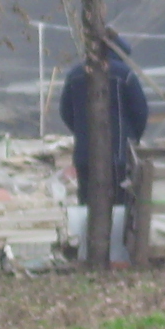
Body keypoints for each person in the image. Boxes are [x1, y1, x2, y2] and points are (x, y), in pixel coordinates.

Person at [59, 29, 149, 206]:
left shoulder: (75, 74)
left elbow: (65, 111)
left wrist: (81, 131)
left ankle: (90, 234)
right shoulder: (125, 74)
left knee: (87, 201)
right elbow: (140, 111)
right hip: (120, 156)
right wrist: (132, 138)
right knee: (120, 203)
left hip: (85, 155)